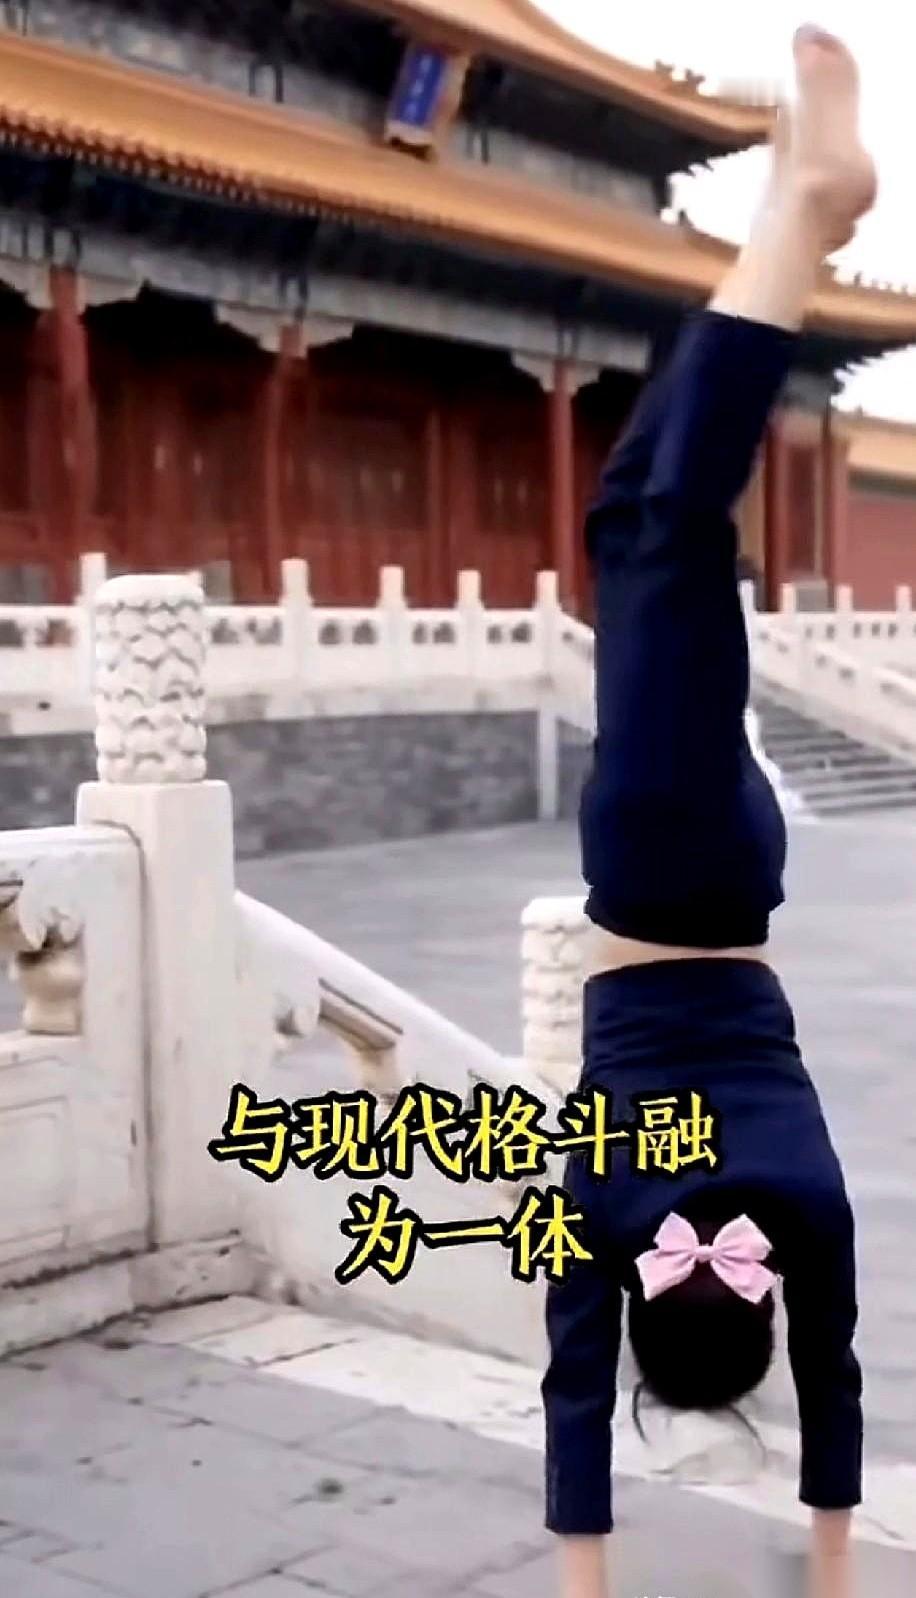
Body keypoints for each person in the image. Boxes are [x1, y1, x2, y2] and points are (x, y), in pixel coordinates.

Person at [541, 26, 878, 1598]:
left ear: (760, 1300)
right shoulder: (608, 1205)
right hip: (661, 869)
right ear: (645, 1302)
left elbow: (839, 1383)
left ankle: (781, 209)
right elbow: (571, 1394)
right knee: (673, 530)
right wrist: (586, 1584)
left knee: (626, 516)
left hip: (736, 879)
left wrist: (836, 1560)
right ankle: (809, 210)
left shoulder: (803, 1206)